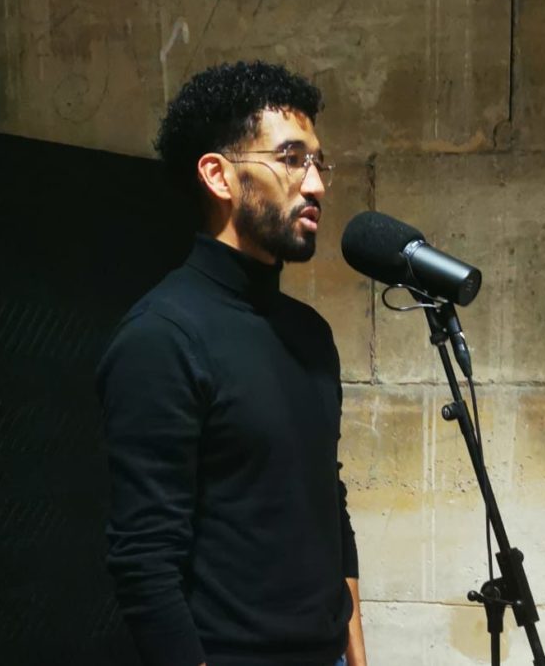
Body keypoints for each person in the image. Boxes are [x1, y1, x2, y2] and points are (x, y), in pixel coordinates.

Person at [96, 61, 366, 666]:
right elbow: (144, 560)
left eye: (318, 162)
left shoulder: (310, 334)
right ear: (218, 175)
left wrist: (356, 654)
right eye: (292, 159)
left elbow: (329, 505)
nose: (317, 184)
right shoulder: (161, 338)